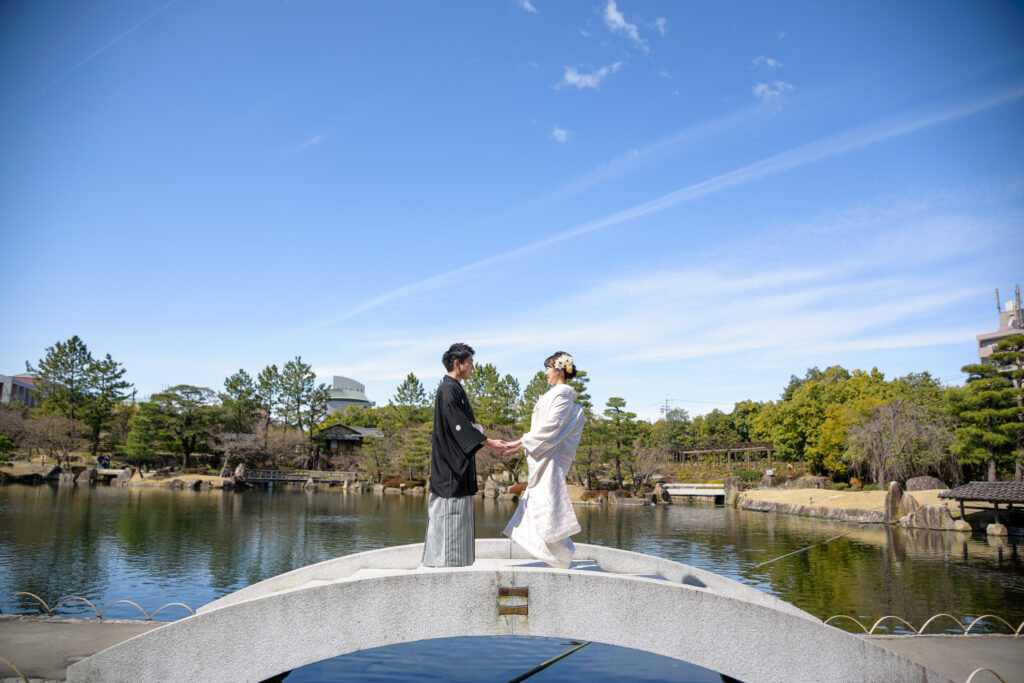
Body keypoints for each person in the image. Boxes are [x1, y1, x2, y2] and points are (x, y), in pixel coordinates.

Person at [422, 343, 507, 567]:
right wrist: (488, 442)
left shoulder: (453, 388)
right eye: (470, 363)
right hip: (451, 470)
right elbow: (458, 426)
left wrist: (478, 433)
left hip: (455, 466)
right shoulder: (448, 389)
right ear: (457, 364)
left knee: (456, 522)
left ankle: (451, 564)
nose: (472, 368)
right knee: (450, 520)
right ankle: (448, 568)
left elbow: (463, 425)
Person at [501, 351, 586, 569]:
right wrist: (523, 442)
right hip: (544, 455)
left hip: (551, 458)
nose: (546, 373)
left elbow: (551, 429)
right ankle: (556, 552)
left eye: (548, 368)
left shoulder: (563, 396)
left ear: (559, 370)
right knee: (541, 500)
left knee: (549, 501)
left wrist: (520, 441)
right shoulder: (557, 395)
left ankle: (560, 553)